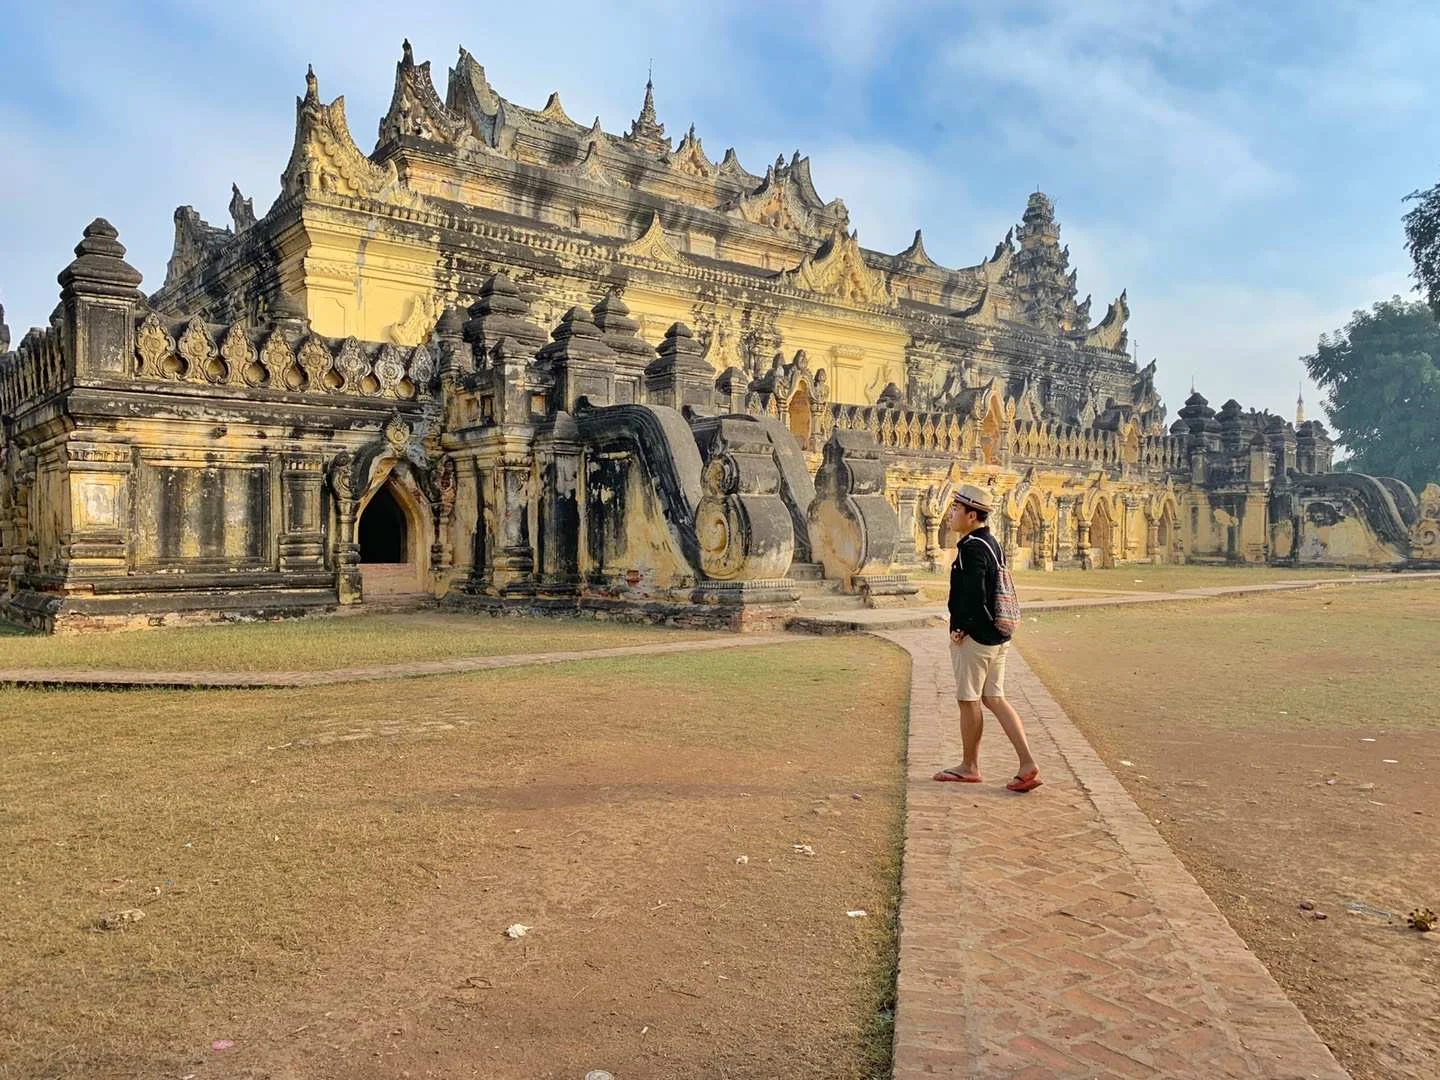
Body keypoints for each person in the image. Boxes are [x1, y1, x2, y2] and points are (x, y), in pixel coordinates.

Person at [933, 484, 1042, 793]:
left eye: (956, 509)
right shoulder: (991, 543)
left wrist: (961, 627)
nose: (951, 514)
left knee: (968, 700)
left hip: (978, 638)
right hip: (998, 635)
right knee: (994, 698)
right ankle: (1027, 763)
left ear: (972, 515)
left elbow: (975, 595)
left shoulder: (972, 548)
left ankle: (969, 766)